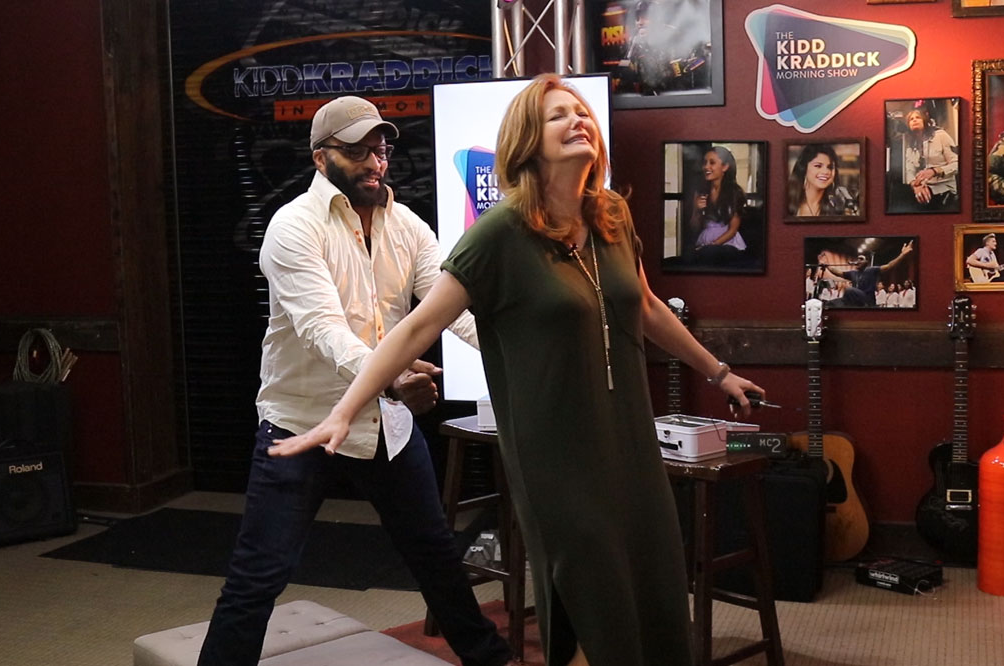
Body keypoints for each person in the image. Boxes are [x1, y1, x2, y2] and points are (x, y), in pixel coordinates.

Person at [268, 74, 765, 666]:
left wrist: (718, 372)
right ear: (529, 140)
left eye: (581, 111)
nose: (578, 120)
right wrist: (346, 408)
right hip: (556, 452)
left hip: (628, 435)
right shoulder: (499, 234)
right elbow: (418, 327)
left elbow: (647, 307)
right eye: (558, 115)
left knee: (653, 575)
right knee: (591, 588)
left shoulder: (611, 215)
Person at [195, 96, 518, 666]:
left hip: (385, 428)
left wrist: (521, 357)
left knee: (436, 557)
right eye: (358, 151)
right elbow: (325, 330)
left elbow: (452, 311)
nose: (375, 161)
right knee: (259, 576)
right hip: (301, 424)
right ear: (321, 158)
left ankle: (490, 660)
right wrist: (392, 380)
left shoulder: (408, 226)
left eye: (381, 148)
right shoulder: (293, 227)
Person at [688, 145, 747, 262]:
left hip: (728, 244)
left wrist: (713, 245)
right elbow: (694, 227)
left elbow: (732, 230)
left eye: (712, 163)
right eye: (705, 163)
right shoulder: (701, 192)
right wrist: (697, 210)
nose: (706, 167)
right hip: (705, 242)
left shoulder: (735, 192)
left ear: (725, 167)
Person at [819, 241, 915, 307]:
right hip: (855, 300)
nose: (858, 261)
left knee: (849, 290)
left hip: (867, 300)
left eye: (861, 259)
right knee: (831, 303)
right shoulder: (853, 273)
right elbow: (838, 273)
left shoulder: (872, 270)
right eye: (858, 259)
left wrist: (902, 254)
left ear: (866, 262)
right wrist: (826, 265)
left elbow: (889, 266)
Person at [899, 106, 959, 210]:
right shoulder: (910, 144)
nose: (914, 120)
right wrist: (915, 185)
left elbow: (957, 164)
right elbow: (909, 170)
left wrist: (935, 171)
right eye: (911, 119)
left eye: (918, 117)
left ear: (924, 120)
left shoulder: (941, 135)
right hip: (923, 186)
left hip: (944, 188)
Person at [788, 143, 849, 217]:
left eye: (830, 167)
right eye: (818, 166)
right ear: (804, 168)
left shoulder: (838, 207)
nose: (826, 172)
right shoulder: (787, 202)